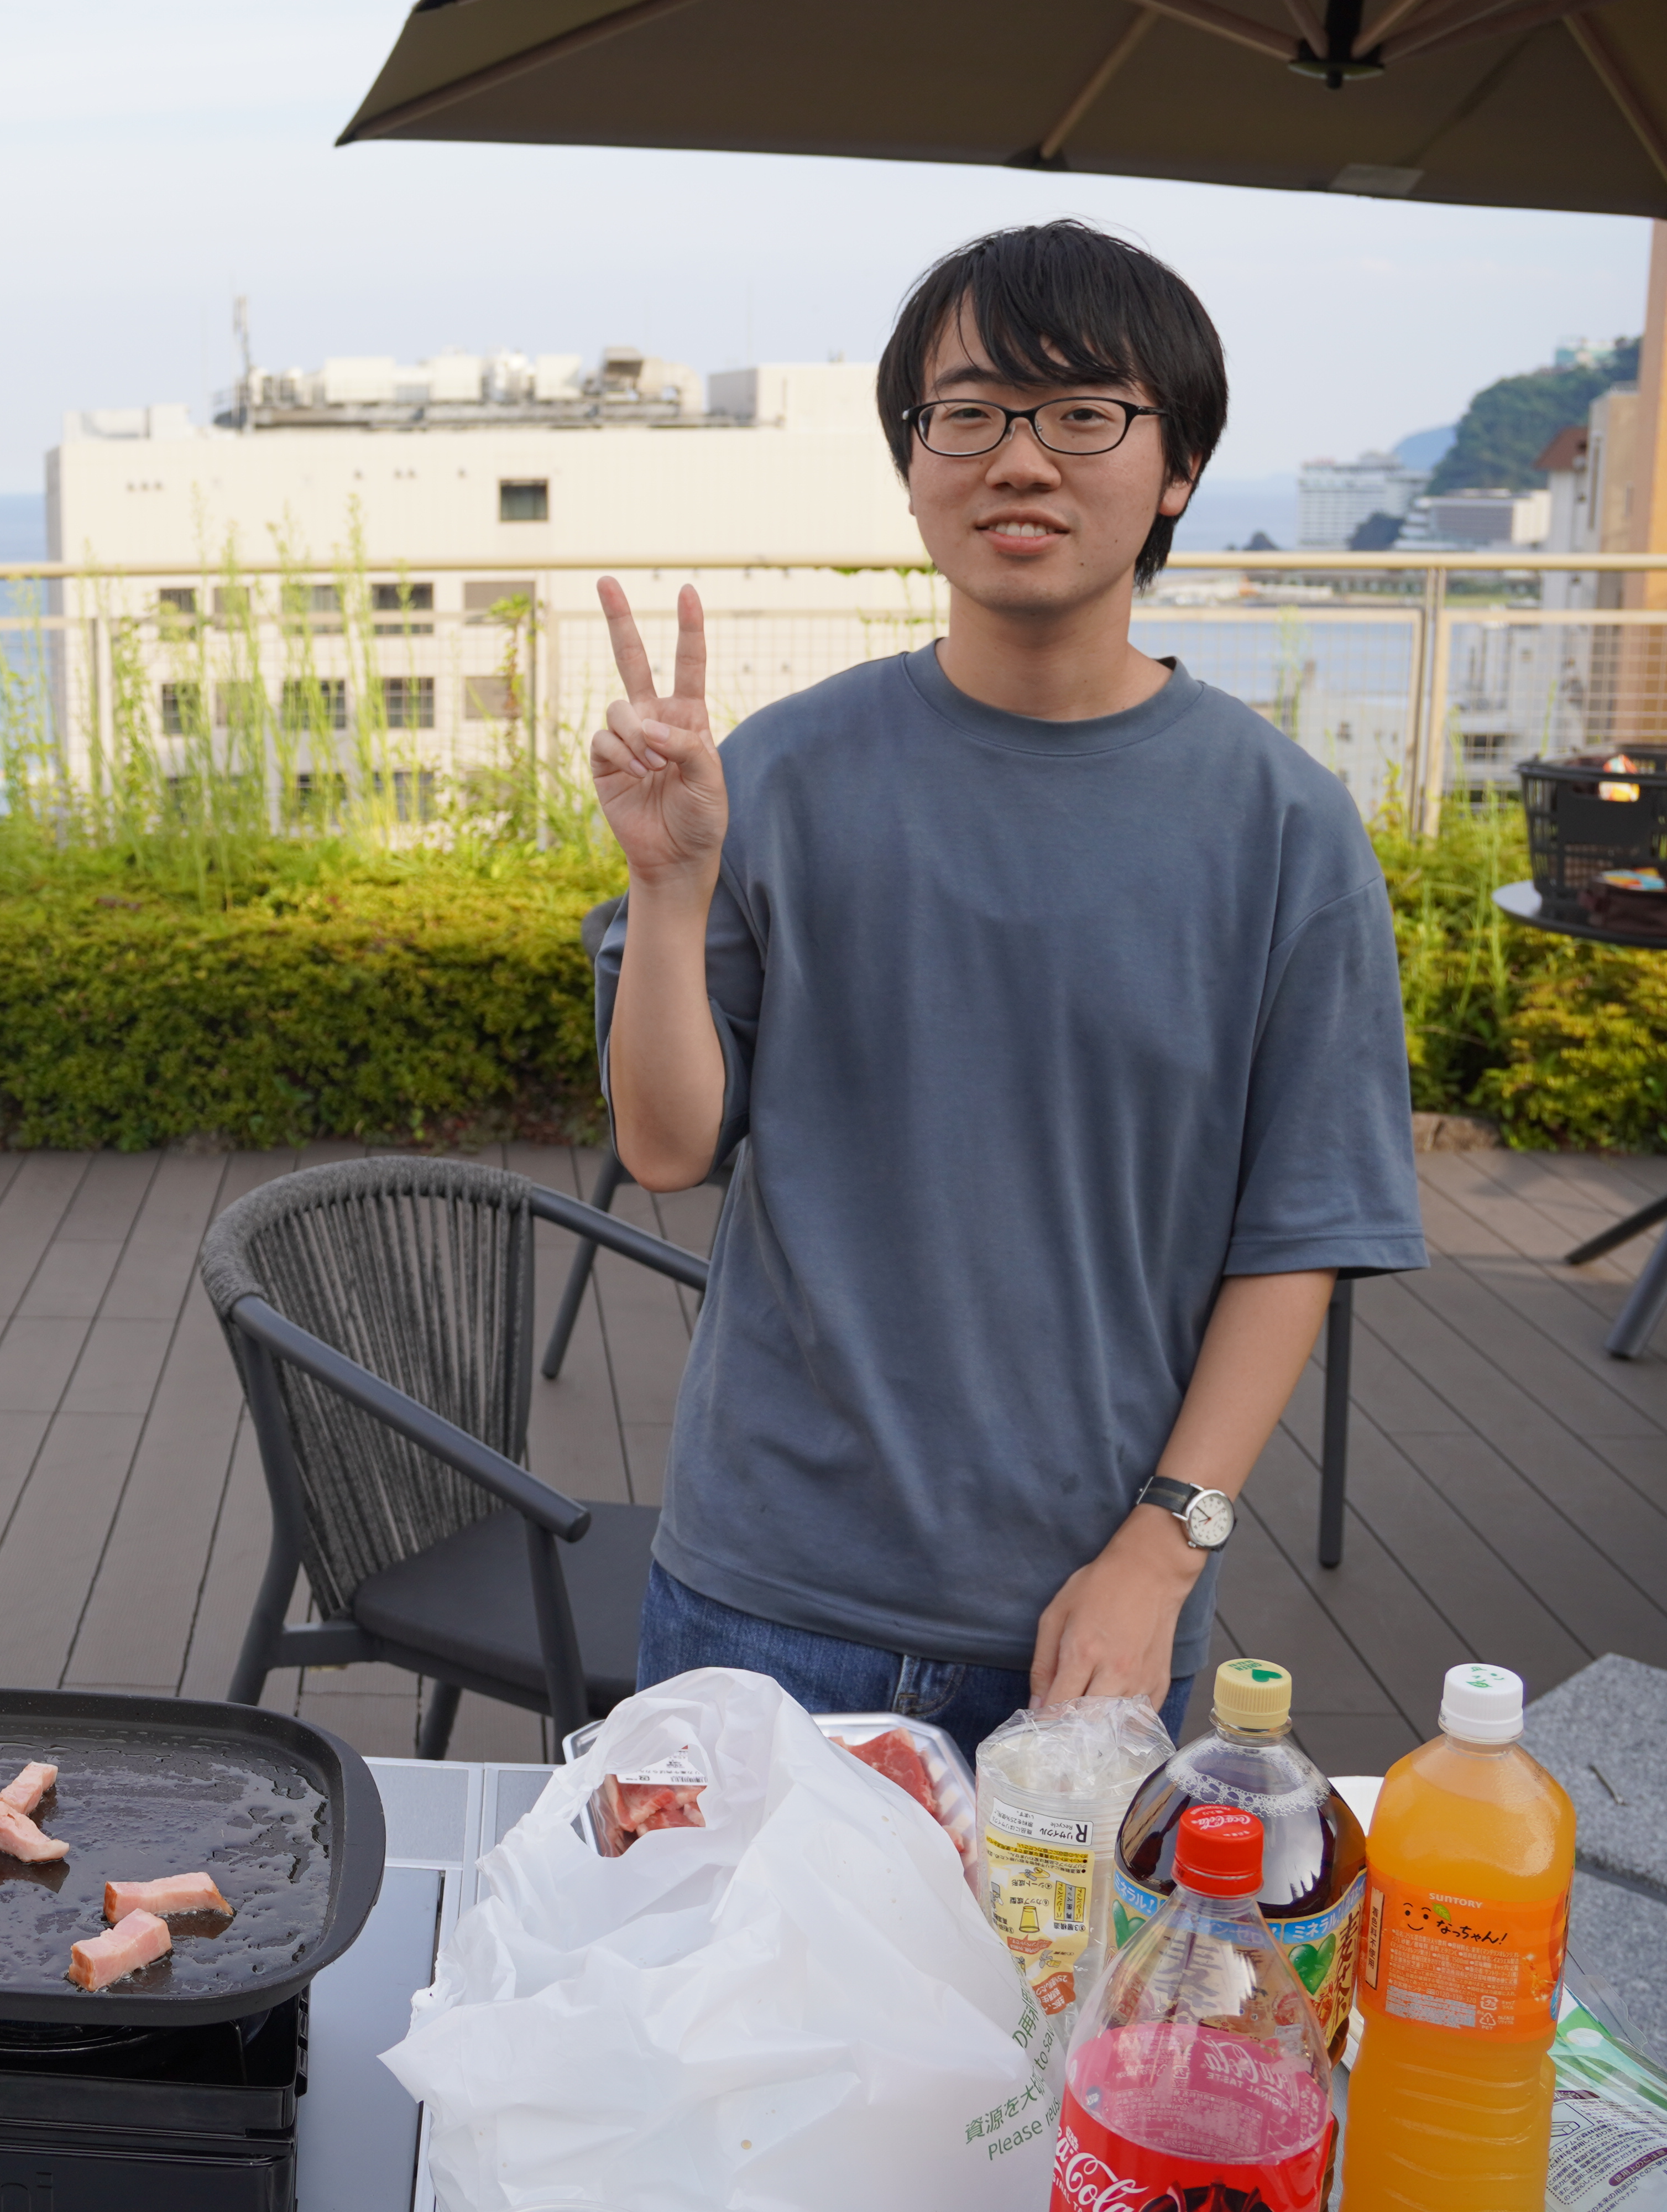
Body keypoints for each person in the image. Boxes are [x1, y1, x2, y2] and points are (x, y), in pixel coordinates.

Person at [590, 221, 1424, 1760]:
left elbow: (1301, 1230)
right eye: (966, 414)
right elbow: (665, 1144)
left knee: (1076, 1944)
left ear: (1178, 469)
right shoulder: (778, 774)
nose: (1018, 460)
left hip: (1094, 1616)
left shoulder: (1282, 827)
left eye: (1084, 413)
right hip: (763, 1593)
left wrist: (1164, 1549)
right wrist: (667, 883)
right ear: (914, 464)